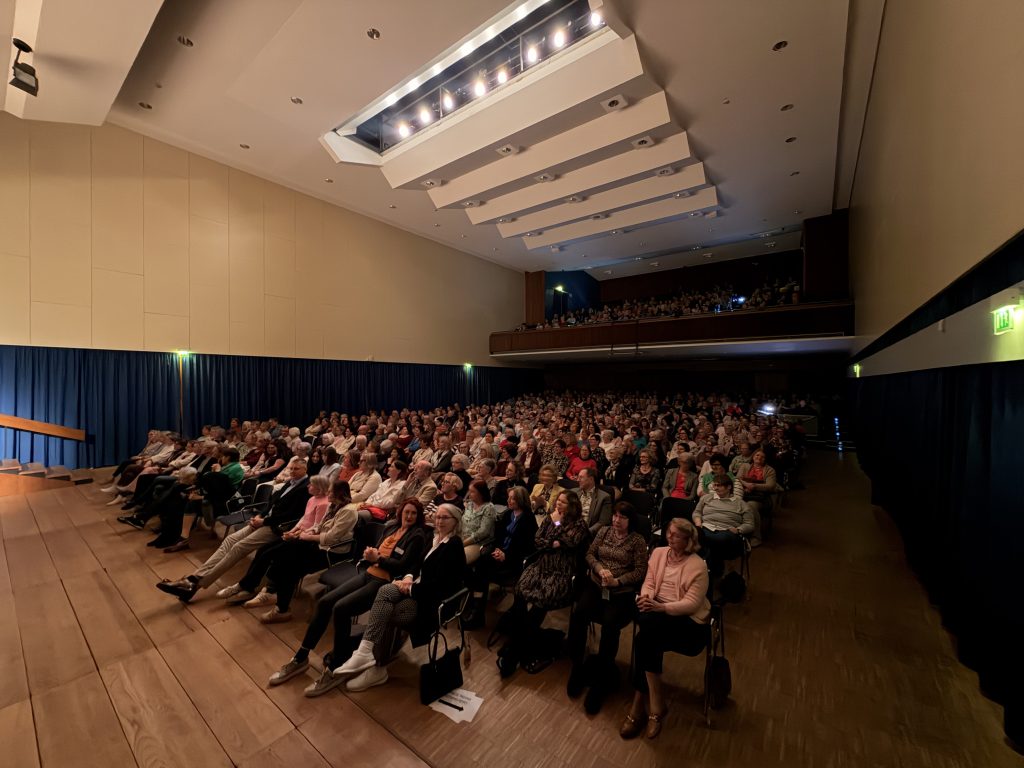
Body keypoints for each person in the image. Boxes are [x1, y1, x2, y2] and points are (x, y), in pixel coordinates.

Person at [269, 499, 429, 695]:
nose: (409, 516)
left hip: (384, 583)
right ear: (401, 513)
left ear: (418, 516)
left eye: (413, 513)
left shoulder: (418, 536)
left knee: (341, 608)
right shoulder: (391, 527)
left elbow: (403, 566)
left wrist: (378, 558)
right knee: (325, 602)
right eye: (406, 512)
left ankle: (337, 663)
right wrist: (371, 554)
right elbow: (377, 550)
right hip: (368, 573)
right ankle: (301, 657)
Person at [330, 503, 467, 692]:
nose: (439, 521)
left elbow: (440, 586)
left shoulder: (454, 546)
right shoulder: (435, 538)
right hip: (415, 587)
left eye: (445, 518)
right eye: (438, 517)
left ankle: (379, 668)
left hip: (430, 601)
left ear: (456, 522)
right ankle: (365, 652)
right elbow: (416, 564)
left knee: (388, 613)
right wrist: (409, 578)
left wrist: (408, 589)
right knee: (385, 591)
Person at [154, 460, 310, 602]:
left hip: (276, 527)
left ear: (305, 469)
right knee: (229, 540)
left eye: (297, 469)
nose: (293, 471)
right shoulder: (290, 483)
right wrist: (258, 515)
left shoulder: (305, 488)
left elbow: (292, 514)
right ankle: (192, 580)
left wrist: (264, 521)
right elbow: (270, 505)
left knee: (238, 547)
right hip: (263, 520)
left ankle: (195, 583)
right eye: (292, 468)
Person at [620, 518, 710, 741]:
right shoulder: (659, 553)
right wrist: (647, 598)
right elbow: (649, 581)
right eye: (669, 533)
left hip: (686, 620)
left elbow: (692, 604)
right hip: (656, 611)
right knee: (648, 631)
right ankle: (655, 708)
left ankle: (641, 704)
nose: (669, 537)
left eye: (676, 535)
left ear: (688, 541)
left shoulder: (697, 565)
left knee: (644, 638)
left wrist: (661, 607)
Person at [216, 475, 339, 621]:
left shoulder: (324, 503)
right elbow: (303, 519)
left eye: (311, 485)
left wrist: (296, 535)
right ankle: (249, 586)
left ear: (319, 488)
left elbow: (316, 527)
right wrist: (292, 530)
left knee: (273, 556)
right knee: (263, 550)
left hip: (306, 540)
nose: (307, 487)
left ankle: (256, 589)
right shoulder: (312, 499)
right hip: (297, 534)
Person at [566, 502, 648, 714]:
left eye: (621, 517)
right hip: (596, 585)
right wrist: (600, 569)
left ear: (630, 520)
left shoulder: (638, 541)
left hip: (621, 592)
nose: (616, 520)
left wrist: (618, 581)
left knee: (611, 624)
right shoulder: (603, 531)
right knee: (579, 613)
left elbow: (640, 571)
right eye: (614, 516)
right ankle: (577, 665)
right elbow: (590, 555)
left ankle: (601, 679)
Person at [497, 491, 589, 677]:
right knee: (521, 590)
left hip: (562, 571)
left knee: (541, 600)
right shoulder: (551, 517)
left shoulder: (580, 524)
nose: (558, 504)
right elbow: (539, 540)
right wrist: (553, 535)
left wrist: (555, 528)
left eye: (563, 502)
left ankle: (513, 650)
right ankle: (520, 642)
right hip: (542, 565)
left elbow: (569, 542)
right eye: (558, 501)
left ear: (572, 506)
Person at [461, 485, 538, 629]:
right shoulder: (509, 514)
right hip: (500, 553)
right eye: (508, 497)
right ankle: (476, 612)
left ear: (521, 500)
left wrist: (506, 555)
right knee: (478, 566)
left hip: (515, 560)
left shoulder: (528, 518)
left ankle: (477, 614)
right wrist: (498, 549)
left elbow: (527, 546)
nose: (509, 501)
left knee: (480, 571)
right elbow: (499, 536)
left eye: (512, 498)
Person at [692, 477, 754, 581]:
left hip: (727, 531)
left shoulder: (741, 503)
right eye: (714, 485)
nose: (715, 488)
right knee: (695, 534)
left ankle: (707, 569)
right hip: (706, 528)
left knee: (717, 539)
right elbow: (697, 512)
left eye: (719, 485)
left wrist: (738, 529)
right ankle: (711, 570)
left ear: (729, 487)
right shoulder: (707, 498)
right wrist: (698, 523)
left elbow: (750, 524)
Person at [461, 479, 496, 564]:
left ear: (481, 493)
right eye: (469, 491)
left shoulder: (488, 508)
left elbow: (483, 532)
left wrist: (463, 543)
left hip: (478, 543)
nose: (469, 494)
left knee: (458, 558)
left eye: (472, 492)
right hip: (462, 538)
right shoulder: (469, 505)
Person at [572, 467, 613, 534]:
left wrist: (586, 533)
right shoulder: (573, 492)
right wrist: (558, 524)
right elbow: (561, 513)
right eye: (578, 477)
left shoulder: (604, 497)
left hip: (586, 533)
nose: (578, 480)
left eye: (581, 477)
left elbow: (603, 522)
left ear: (591, 479)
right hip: (568, 530)